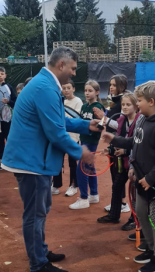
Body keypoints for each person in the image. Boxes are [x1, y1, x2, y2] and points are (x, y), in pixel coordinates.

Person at [1, 47, 97, 272]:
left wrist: (86, 125)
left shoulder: (45, 84)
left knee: (40, 210)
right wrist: (80, 152)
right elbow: (55, 132)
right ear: (61, 65)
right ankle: (37, 265)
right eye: (73, 68)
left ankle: (40, 252)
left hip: (33, 160)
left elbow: (58, 120)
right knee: (35, 214)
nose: (74, 73)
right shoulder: (45, 87)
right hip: (31, 162)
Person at [103, 81, 155, 272]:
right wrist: (114, 140)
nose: (137, 104)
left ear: (151, 102)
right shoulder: (143, 120)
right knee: (142, 214)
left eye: (140, 101)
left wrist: (150, 179)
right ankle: (151, 249)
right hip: (141, 179)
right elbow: (133, 143)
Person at [97, 92, 140, 224]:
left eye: (128, 104)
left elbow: (138, 144)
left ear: (135, 106)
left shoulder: (140, 121)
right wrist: (110, 149)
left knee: (135, 192)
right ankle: (114, 215)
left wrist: (125, 151)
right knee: (116, 187)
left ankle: (134, 219)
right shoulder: (121, 120)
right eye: (123, 105)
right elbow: (118, 140)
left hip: (136, 164)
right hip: (123, 164)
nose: (125, 107)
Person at [93, 74, 130, 216]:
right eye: (110, 85)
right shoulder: (111, 99)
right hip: (112, 141)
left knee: (118, 172)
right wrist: (100, 121)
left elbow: (119, 125)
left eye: (114, 85)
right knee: (114, 172)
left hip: (120, 141)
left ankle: (122, 203)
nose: (111, 87)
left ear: (122, 86)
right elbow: (106, 117)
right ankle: (117, 202)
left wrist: (104, 118)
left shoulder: (124, 101)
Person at [69, 80, 104, 210]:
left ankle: (83, 198)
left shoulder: (98, 106)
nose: (87, 93)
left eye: (90, 90)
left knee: (82, 169)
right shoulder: (84, 107)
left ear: (97, 92)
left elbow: (101, 125)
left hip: (91, 141)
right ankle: (94, 194)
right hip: (83, 139)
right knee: (90, 167)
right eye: (85, 90)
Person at [51, 79, 83, 196]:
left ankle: (73, 185)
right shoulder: (60, 100)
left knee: (72, 162)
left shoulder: (78, 101)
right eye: (64, 88)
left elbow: (76, 118)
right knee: (57, 160)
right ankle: (56, 185)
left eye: (69, 88)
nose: (66, 90)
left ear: (73, 89)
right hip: (60, 136)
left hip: (73, 137)